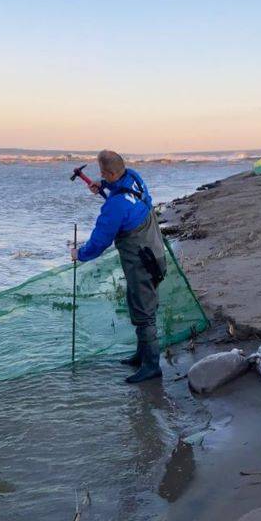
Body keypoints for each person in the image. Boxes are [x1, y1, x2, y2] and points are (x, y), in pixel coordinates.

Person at [69, 150, 169, 383]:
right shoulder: (133, 177)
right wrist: (102, 184)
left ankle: (152, 366)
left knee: (144, 311)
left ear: (109, 172)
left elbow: (99, 242)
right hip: (155, 250)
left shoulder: (114, 207)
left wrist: (79, 254)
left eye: (102, 173)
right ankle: (141, 354)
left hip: (143, 262)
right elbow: (121, 190)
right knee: (136, 300)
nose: (100, 175)